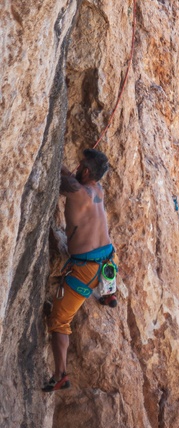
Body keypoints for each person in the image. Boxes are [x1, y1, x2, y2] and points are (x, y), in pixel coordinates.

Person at [43, 148, 116, 392]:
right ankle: (108, 294)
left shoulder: (76, 191)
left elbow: (58, 176)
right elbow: (73, 179)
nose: (77, 168)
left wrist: (55, 158)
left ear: (85, 170)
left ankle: (60, 374)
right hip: (108, 261)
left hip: (86, 270)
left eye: (80, 165)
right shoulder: (97, 190)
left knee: (59, 322)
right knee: (103, 271)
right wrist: (71, 168)